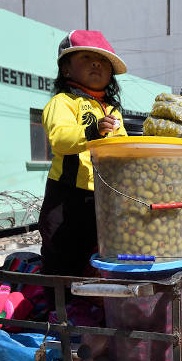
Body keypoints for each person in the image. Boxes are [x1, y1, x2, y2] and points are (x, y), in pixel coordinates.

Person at [38, 30, 127, 276]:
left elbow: (122, 149)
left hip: (103, 197)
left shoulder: (112, 110)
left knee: (96, 254)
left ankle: (87, 306)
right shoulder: (63, 102)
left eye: (103, 61)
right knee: (62, 254)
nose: (96, 63)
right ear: (66, 70)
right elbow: (60, 139)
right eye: (86, 58)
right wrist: (93, 131)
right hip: (67, 197)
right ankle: (58, 310)